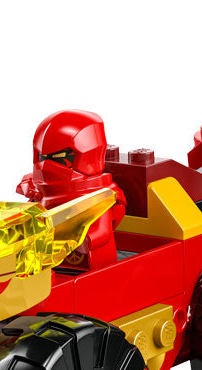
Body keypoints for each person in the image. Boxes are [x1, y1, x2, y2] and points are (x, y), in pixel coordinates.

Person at [17, 109, 126, 268]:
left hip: (89, 269)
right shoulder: (38, 190)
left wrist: (59, 233)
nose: (46, 165)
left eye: (59, 158)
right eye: (42, 157)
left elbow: (97, 236)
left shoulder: (99, 197)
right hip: (41, 265)